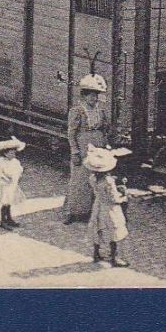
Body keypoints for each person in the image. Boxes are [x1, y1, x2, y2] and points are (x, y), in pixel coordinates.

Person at [64, 74, 109, 224]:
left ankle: (91, 211)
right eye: (91, 96)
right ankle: (73, 211)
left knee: (96, 178)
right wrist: (74, 151)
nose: (94, 99)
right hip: (83, 147)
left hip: (98, 146)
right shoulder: (77, 110)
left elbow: (104, 129)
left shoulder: (100, 110)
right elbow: (71, 133)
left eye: (96, 96)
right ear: (84, 96)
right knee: (79, 179)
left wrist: (106, 145)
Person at [85, 147, 131, 266]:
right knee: (114, 230)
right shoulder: (109, 181)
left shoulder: (93, 178)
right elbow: (114, 198)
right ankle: (114, 258)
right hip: (110, 208)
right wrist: (124, 197)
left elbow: (100, 189)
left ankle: (96, 254)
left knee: (97, 228)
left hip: (98, 205)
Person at [0, 137, 27, 230]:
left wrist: (18, 177)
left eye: (14, 153)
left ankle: (9, 218)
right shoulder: (0, 161)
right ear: (5, 153)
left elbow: (18, 171)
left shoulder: (15, 161)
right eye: (11, 153)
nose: (13, 154)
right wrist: (5, 177)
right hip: (5, 184)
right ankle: (3, 221)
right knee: (5, 203)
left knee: (9, 203)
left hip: (13, 185)